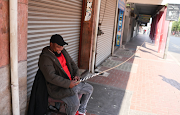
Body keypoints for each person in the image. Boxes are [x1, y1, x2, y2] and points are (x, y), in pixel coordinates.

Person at [38, 34, 93, 115]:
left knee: (89, 89)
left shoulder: (63, 51)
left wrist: (77, 75)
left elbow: (73, 64)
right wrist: (68, 84)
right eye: (58, 47)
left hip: (72, 83)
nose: (60, 49)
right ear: (51, 44)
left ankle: (81, 110)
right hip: (59, 88)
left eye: (62, 46)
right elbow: (51, 77)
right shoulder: (45, 58)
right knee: (74, 104)